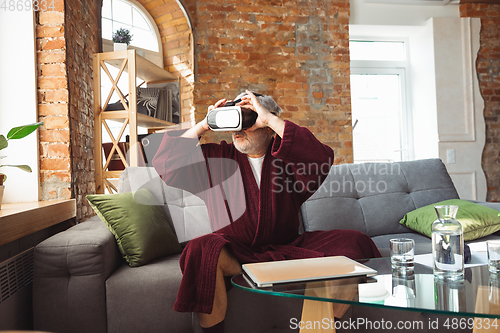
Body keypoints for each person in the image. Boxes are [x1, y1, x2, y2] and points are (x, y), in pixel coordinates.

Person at [152, 90, 381, 333]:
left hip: (288, 249)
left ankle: (316, 328)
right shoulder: (218, 158)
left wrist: (269, 118)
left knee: (356, 243)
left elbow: (321, 159)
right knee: (201, 249)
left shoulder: (288, 159)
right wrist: (203, 125)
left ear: (268, 126)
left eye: (247, 122)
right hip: (235, 253)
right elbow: (165, 165)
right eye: (234, 122)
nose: (238, 130)